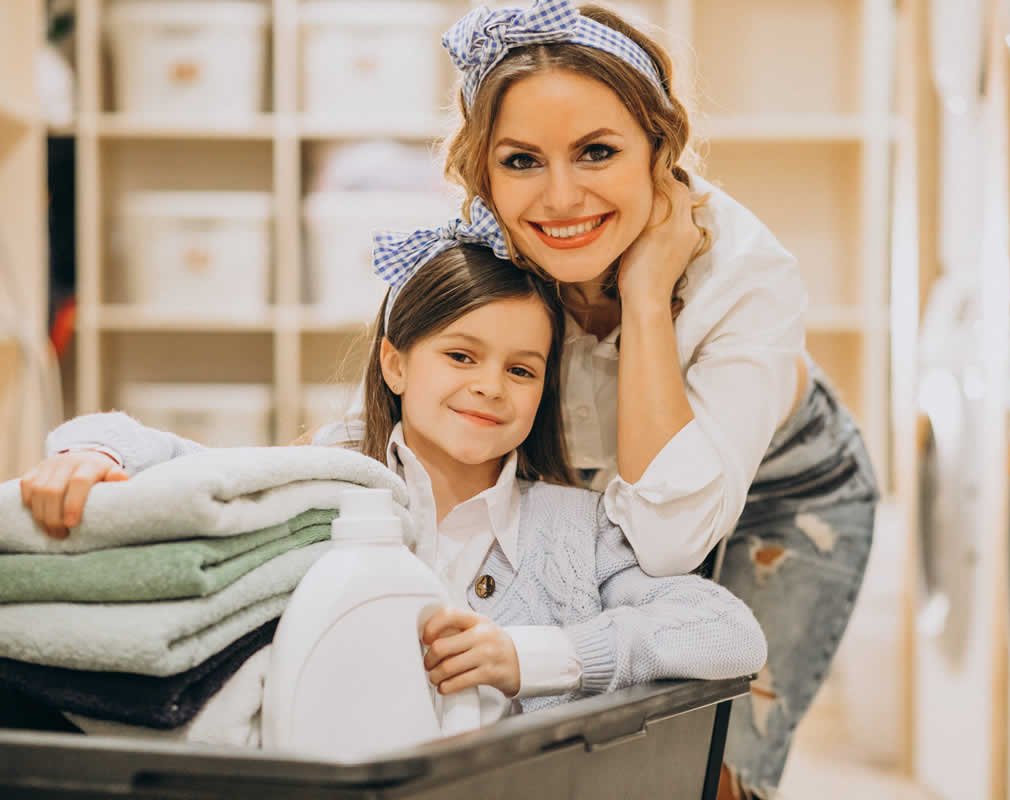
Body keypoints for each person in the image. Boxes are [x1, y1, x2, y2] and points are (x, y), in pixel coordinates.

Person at [20, 230, 768, 722]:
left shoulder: (577, 527)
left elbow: (728, 633)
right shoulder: (326, 487)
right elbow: (175, 458)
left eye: (521, 369)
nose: (490, 386)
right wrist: (95, 456)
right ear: (396, 362)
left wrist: (534, 657)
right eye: (462, 356)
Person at [430, 2, 881, 797]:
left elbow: (670, 540)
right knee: (575, 754)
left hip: (786, 501)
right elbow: (412, 425)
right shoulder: (485, 259)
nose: (560, 199)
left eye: (597, 152)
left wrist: (644, 299)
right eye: (522, 161)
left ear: (658, 148)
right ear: (484, 170)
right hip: (602, 508)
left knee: (714, 775)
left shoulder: (745, 276)